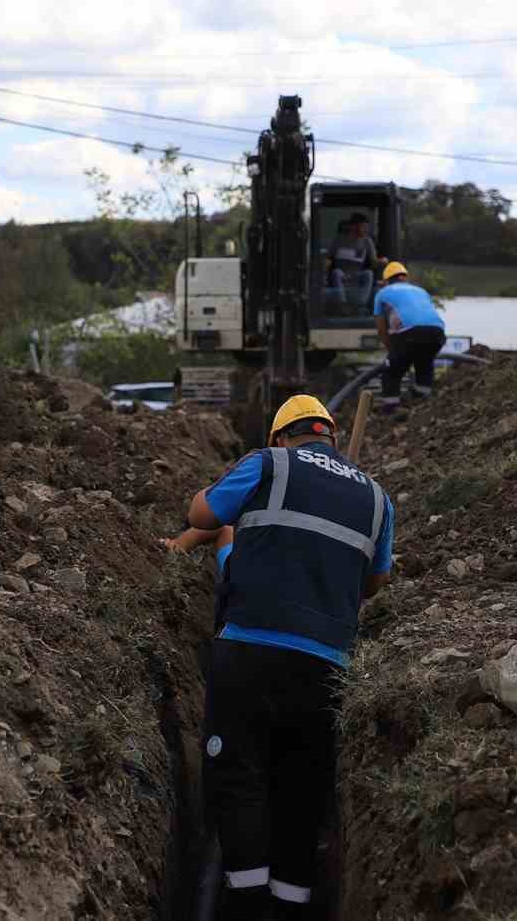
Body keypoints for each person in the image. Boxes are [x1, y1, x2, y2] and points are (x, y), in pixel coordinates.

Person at [177, 394, 393, 920]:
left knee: (238, 774)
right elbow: (375, 582)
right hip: (327, 665)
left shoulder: (266, 463)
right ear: (332, 437)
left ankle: (244, 905)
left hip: (250, 647)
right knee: (302, 786)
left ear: (280, 436)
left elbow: (201, 513)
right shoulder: (378, 498)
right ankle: (292, 908)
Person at [371, 261, 446, 412]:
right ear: (405, 277)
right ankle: (421, 403)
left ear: (386, 280)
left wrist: (391, 351)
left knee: (391, 371)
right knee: (424, 364)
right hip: (437, 333)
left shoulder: (382, 293)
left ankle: (391, 409)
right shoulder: (420, 290)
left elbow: (381, 329)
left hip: (410, 333)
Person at [325, 214, 377, 311]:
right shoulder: (339, 239)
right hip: (341, 274)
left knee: (369, 274)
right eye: (363, 227)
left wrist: (382, 261)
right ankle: (342, 304)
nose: (366, 230)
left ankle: (361, 304)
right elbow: (328, 258)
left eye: (367, 227)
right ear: (353, 226)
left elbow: (374, 262)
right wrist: (324, 268)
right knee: (336, 273)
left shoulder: (367, 242)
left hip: (357, 275)